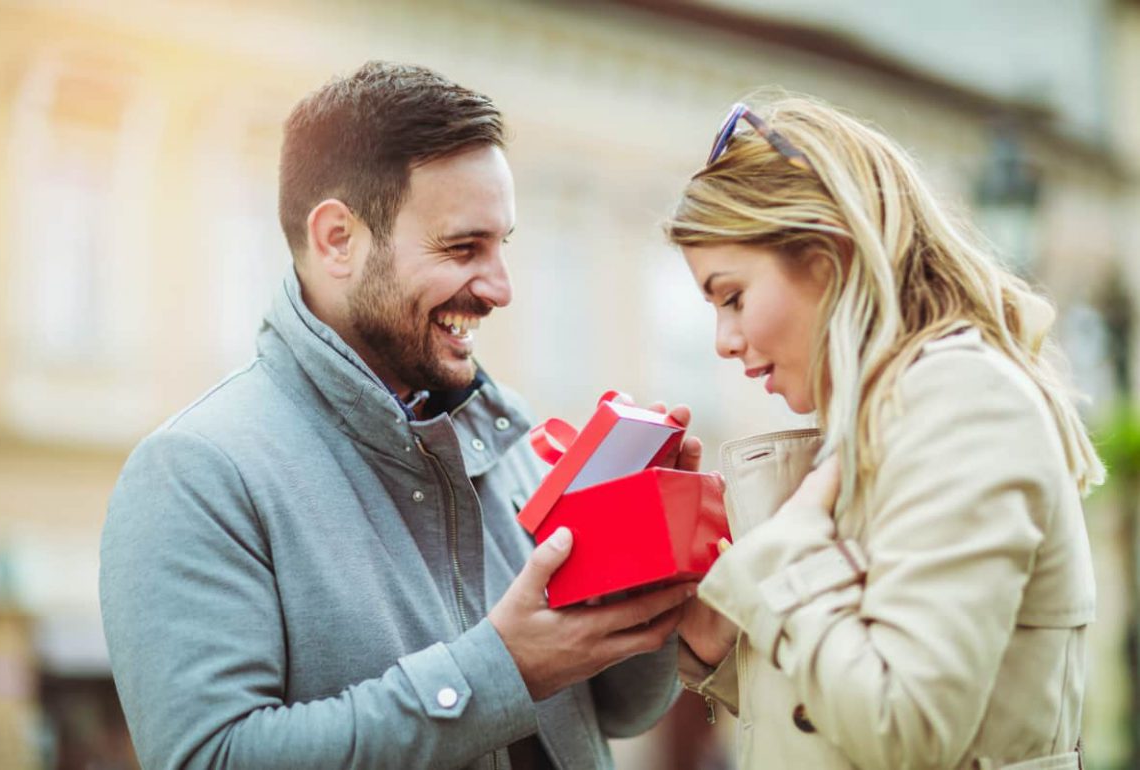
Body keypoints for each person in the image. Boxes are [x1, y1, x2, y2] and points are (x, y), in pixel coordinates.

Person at [99, 61, 698, 770]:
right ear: (337, 240)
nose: (501, 288)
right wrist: (500, 669)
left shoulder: (513, 442)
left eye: (502, 245)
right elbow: (215, 759)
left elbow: (620, 709)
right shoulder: (195, 474)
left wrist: (643, 565)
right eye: (461, 247)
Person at [670, 95, 1101, 769]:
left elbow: (905, 730)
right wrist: (717, 643)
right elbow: (845, 708)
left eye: (732, 297)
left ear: (825, 254)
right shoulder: (883, 415)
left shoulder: (963, 402)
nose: (724, 340)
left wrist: (778, 562)